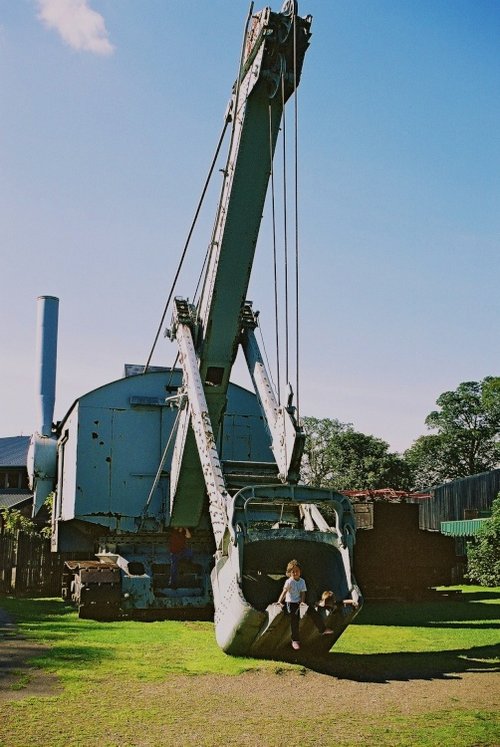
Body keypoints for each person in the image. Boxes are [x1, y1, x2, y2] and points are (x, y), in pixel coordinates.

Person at [277, 559, 307, 650]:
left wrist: (302, 602)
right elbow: (284, 592)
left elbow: (303, 593)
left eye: (297, 571)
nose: (295, 573)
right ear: (290, 573)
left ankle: (323, 629)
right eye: (293, 572)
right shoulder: (289, 581)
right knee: (294, 618)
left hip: (297, 603)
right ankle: (295, 640)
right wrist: (279, 602)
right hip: (289, 603)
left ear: (300, 572)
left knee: (309, 611)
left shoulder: (302, 581)